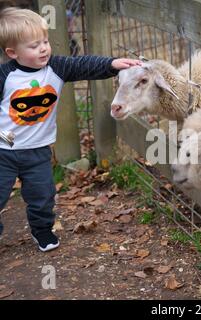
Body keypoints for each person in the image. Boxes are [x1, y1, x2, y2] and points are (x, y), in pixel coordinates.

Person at [0, 7, 142, 251]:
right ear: (13, 53)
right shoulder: (5, 76)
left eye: (45, 41)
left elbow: (83, 65)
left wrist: (111, 64)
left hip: (38, 152)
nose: (43, 48)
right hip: (4, 150)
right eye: (34, 46)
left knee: (42, 196)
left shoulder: (56, 67)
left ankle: (42, 231)